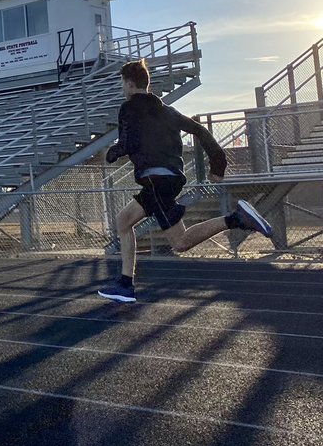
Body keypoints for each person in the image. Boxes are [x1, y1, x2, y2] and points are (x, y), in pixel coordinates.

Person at [96, 58, 274, 303]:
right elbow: (200, 130)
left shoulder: (128, 108)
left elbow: (127, 143)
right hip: (168, 179)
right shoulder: (168, 111)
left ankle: (237, 218)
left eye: (122, 84)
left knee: (180, 242)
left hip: (155, 180)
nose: (122, 88)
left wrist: (112, 154)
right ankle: (125, 283)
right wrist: (218, 165)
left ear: (128, 84)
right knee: (124, 220)